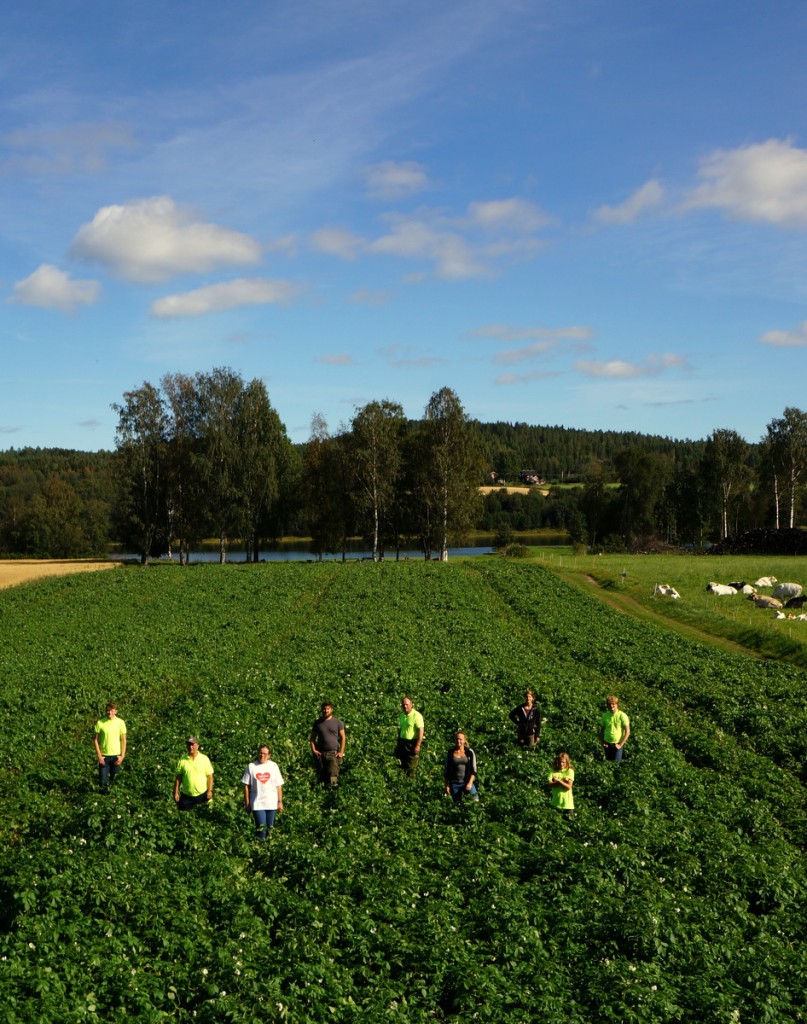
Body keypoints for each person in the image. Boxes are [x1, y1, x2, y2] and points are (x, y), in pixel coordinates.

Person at [242, 745, 284, 840]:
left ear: (269, 755)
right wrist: (247, 803)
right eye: (260, 753)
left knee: (270, 829)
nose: (262, 755)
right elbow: (246, 786)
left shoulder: (273, 766)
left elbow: (278, 785)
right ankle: (259, 847)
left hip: (271, 803)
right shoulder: (251, 766)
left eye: (265, 754)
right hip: (257, 803)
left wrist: (280, 802)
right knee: (261, 829)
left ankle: (267, 850)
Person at [310, 702, 346, 788]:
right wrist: (314, 750)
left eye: (327, 709)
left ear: (331, 710)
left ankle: (332, 794)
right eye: (324, 709)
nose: (325, 710)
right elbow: (312, 739)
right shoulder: (317, 723)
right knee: (322, 776)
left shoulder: (337, 722)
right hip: (321, 754)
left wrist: (341, 752)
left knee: (333, 775)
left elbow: (343, 737)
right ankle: (322, 794)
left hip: (333, 753)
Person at [93, 701, 127, 791]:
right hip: (104, 757)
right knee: (103, 783)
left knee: (115, 782)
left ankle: (113, 801)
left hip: (116, 756)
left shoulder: (120, 722)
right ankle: (103, 799)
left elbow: (123, 740)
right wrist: (99, 756)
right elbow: (95, 740)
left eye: (112, 710)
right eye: (108, 710)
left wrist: (122, 756)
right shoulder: (100, 723)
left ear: (116, 711)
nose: (110, 712)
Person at [174, 737, 214, 810]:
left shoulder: (204, 759)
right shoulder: (182, 759)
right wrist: (176, 792)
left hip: (202, 795)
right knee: (185, 817)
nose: (190, 747)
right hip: (186, 796)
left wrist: (209, 791)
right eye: (188, 745)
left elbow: (210, 776)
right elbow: (178, 777)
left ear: (197, 746)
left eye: (192, 745)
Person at [444, 731, 479, 803]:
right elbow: (447, 770)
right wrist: (447, 785)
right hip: (455, 783)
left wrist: (470, 783)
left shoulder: (469, 752)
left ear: (464, 740)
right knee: (457, 804)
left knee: (475, 801)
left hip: (467, 782)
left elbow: (473, 769)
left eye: (460, 739)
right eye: (457, 739)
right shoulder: (450, 753)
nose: (458, 741)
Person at [395, 697, 424, 776]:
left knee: (411, 766)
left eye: (407, 704)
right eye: (403, 705)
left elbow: (421, 731)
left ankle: (411, 783)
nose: (405, 706)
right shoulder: (402, 715)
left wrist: (418, 745)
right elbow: (401, 729)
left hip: (412, 743)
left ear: (411, 705)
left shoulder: (416, 716)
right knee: (402, 765)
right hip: (402, 743)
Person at [598, 695, 630, 762]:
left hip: (617, 744)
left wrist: (620, 744)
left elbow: (627, 732)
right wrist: (602, 742)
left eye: (613, 704)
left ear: (617, 705)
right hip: (607, 744)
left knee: (616, 765)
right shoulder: (605, 716)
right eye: (609, 704)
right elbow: (601, 730)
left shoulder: (622, 716)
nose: (611, 706)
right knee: (608, 765)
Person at [548, 752, 575, 819]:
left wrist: (559, 781)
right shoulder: (552, 771)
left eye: (563, 762)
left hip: (567, 805)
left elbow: (568, 787)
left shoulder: (569, 771)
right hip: (555, 803)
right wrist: (563, 781)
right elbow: (549, 785)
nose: (561, 764)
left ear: (567, 762)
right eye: (560, 762)